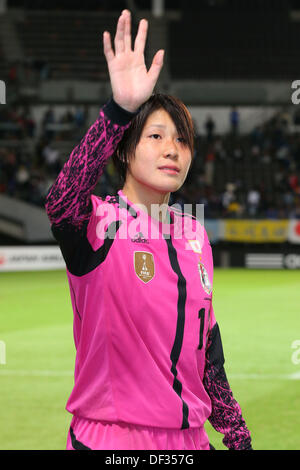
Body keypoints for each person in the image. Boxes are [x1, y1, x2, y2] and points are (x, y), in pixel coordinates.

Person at [45, 10, 252, 451]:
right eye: (155, 136)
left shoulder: (195, 234)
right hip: (113, 441)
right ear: (125, 148)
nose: (172, 149)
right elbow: (60, 201)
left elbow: (207, 346)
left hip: (192, 441)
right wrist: (118, 111)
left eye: (181, 139)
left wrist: (236, 435)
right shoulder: (98, 224)